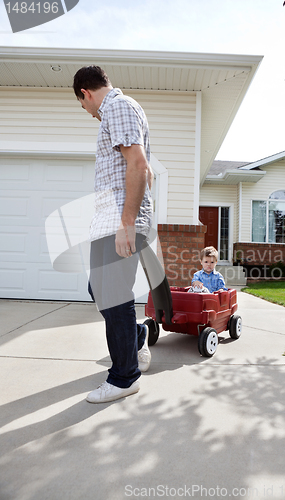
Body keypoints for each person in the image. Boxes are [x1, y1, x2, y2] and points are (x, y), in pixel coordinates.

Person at [73, 65, 154, 404]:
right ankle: (136, 336)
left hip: (120, 222)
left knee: (114, 295)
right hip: (111, 220)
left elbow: (138, 166)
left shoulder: (117, 107)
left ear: (85, 93)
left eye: (82, 104)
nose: (86, 111)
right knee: (100, 289)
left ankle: (124, 377)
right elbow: (142, 169)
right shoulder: (115, 113)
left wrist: (127, 223)